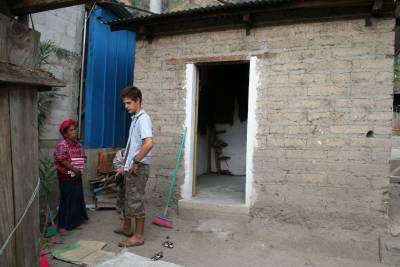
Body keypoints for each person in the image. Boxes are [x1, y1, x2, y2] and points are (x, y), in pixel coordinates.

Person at [114, 86, 154, 247]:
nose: (126, 106)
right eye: (124, 103)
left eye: (129, 103)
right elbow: (133, 146)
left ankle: (138, 236)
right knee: (126, 197)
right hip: (130, 167)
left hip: (139, 167)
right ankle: (126, 228)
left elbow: (149, 143)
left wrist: (136, 162)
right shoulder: (135, 119)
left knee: (135, 200)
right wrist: (124, 166)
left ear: (138, 101)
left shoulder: (143, 119)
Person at [53, 119, 88, 236]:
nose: (74, 132)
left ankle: (73, 223)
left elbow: (84, 157)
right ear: (65, 134)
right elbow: (62, 160)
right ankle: (62, 226)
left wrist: (81, 163)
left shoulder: (78, 145)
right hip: (66, 177)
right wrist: (74, 168)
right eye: (71, 130)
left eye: (75, 129)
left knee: (76, 198)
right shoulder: (62, 145)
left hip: (77, 176)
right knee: (66, 200)